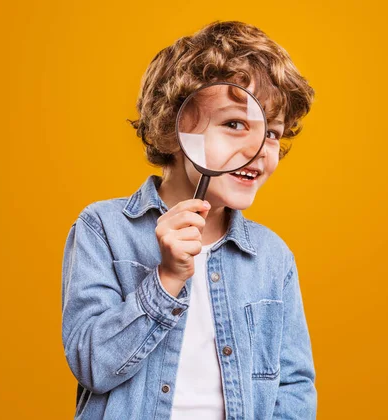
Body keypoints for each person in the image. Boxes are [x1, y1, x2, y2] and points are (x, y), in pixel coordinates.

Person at [61, 21, 317, 419]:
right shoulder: (102, 229)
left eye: (272, 133)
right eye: (235, 124)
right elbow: (93, 364)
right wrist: (166, 280)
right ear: (172, 130)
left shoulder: (273, 257)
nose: (259, 150)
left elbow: (294, 386)